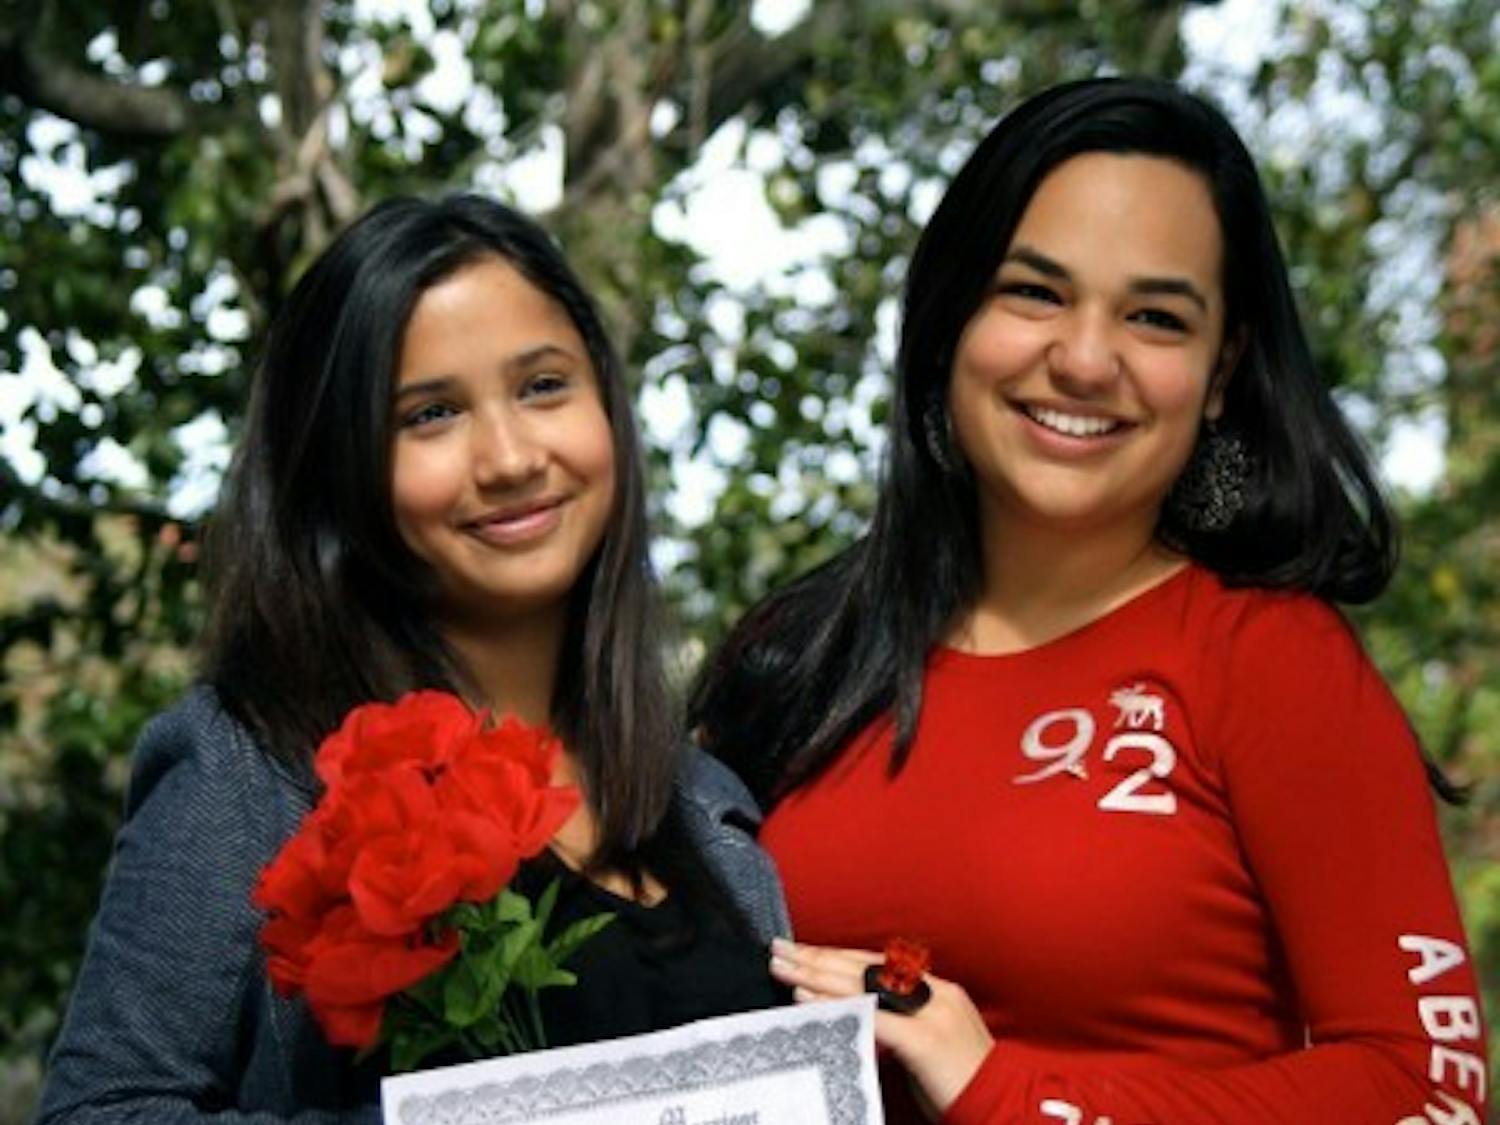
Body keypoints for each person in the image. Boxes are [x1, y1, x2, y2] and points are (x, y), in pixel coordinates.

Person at [692, 77, 1488, 1124]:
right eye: (1034, 292)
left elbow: (1426, 1091)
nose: (1082, 359)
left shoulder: (1272, 661)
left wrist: (1007, 1091)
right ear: (951, 318)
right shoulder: (796, 657)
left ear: (1219, 371)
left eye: (1155, 316)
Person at [38, 194, 789, 1124]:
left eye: (544, 385)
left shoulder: (706, 804)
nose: (510, 456)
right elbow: (100, 1109)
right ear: (341, 467)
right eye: (431, 413)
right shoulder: (247, 767)